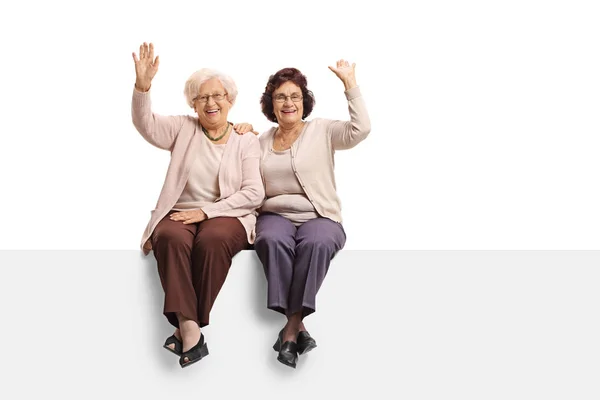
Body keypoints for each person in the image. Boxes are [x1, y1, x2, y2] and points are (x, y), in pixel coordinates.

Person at [130, 42, 264, 368]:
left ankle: (187, 324)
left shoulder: (246, 140)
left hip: (227, 212)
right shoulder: (182, 128)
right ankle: (191, 329)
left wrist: (206, 212)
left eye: (218, 95)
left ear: (230, 100)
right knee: (170, 236)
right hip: (181, 209)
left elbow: (254, 193)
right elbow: (146, 124)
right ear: (193, 104)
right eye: (203, 97)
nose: (211, 102)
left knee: (214, 238)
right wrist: (143, 87)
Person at [252, 59, 371, 368]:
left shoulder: (322, 130)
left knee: (318, 243)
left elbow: (361, 129)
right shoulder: (260, 141)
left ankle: (290, 329)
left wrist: (350, 83)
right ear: (271, 104)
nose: (288, 102)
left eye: (295, 96)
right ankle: (297, 329)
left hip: (319, 216)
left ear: (304, 102)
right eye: (281, 97)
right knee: (269, 239)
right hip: (274, 215)